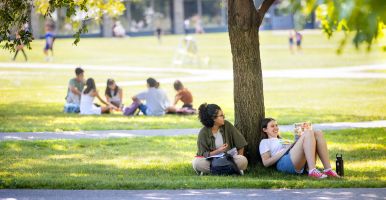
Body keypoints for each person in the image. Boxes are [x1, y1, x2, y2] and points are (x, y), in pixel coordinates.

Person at [259, 118, 340, 179]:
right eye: (272, 126)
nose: (276, 128)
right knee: (308, 133)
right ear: (265, 129)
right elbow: (266, 163)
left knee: (318, 133)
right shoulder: (265, 142)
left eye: (276, 125)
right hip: (283, 163)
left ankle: (328, 169)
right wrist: (286, 149)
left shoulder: (282, 140)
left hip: (295, 158)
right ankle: (312, 170)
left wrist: (296, 141)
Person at [192, 103, 248, 175]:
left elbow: (241, 144)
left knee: (243, 160)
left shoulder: (227, 125)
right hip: (211, 161)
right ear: (213, 118)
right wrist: (218, 151)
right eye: (221, 115)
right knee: (197, 163)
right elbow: (203, 155)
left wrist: (239, 157)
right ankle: (228, 170)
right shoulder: (203, 132)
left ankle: (217, 170)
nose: (223, 117)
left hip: (229, 160)